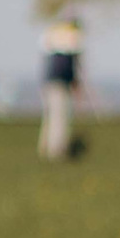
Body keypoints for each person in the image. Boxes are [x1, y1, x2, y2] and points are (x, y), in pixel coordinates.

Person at [40, 19, 84, 161]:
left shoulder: (53, 40)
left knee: (50, 116)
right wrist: (74, 81)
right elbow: (68, 68)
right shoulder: (69, 45)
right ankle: (56, 151)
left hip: (50, 82)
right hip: (60, 83)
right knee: (59, 117)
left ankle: (46, 148)